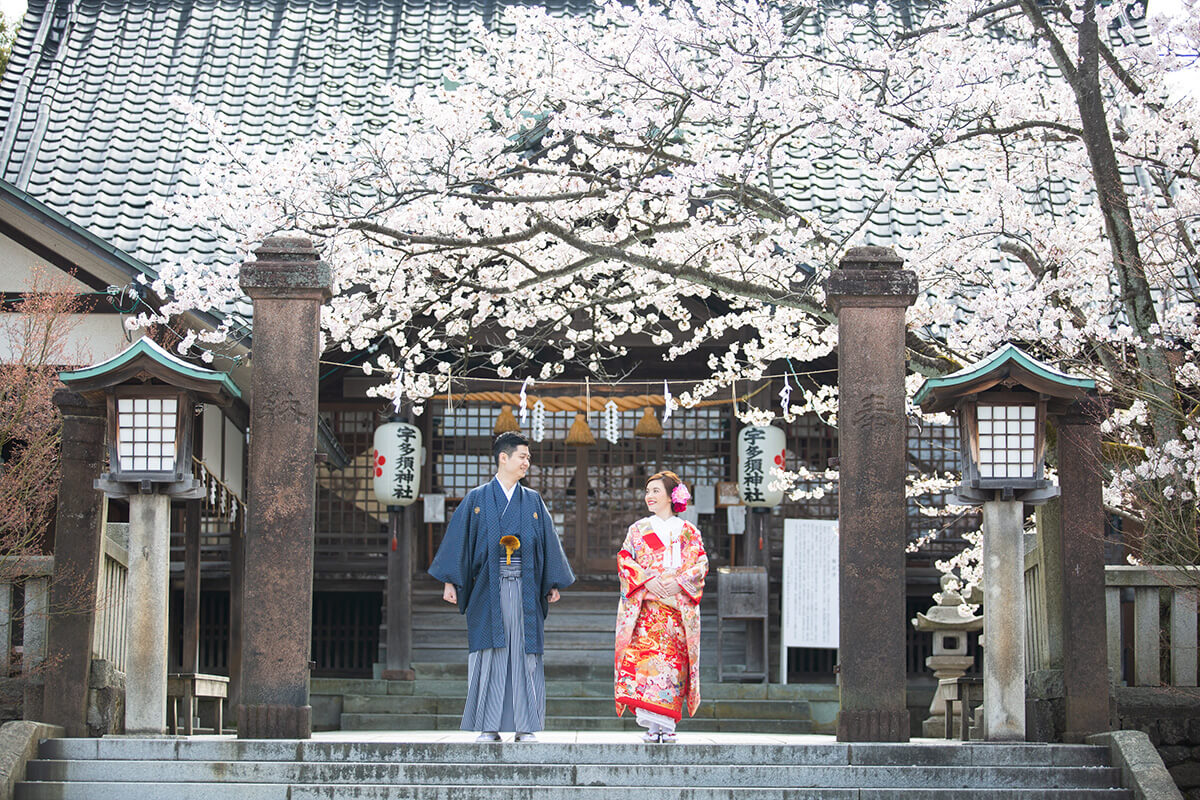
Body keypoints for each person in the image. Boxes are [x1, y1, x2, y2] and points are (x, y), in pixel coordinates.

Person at [429, 431, 575, 743]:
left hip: (525, 585)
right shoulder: (477, 499)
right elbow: (460, 542)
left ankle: (525, 726)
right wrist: (451, 580)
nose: (527, 462)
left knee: (525, 652)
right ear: (503, 458)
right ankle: (488, 725)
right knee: (489, 652)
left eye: (528, 457)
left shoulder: (533, 501)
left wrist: (551, 581)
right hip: (487, 587)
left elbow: (546, 543)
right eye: (522, 456)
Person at [614, 470, 708, 743]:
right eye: (647, 491)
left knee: (673, 670)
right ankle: (652, 726)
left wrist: (680, 583)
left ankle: (668, 725)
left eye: (656, 491)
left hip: (676, 614)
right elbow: (625, 560)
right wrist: (647, 582)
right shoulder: (638, 529)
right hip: (647, 613)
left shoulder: (688, 531)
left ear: (671, 495)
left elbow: (700, 564)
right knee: (647, 669)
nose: (649, 497)